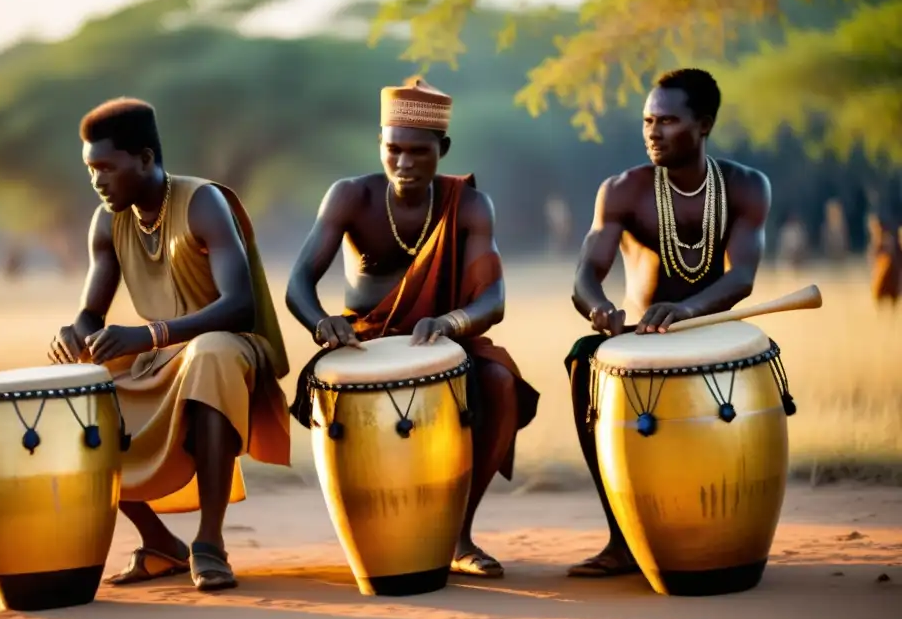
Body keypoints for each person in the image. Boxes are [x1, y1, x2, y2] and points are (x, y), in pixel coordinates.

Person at [285, 76, 540, 579]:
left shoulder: (468, 204)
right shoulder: (350, 196)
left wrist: (450, 322)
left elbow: (494, 299)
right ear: (379, 145)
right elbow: (297, 284)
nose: (403, 163)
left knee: (500, 382)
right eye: (392, 149)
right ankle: (373, 537)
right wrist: (323, 324)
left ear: (442, 149)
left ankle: (459, 534)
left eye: (418, 152)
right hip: (363, 343)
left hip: (443, 340)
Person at [47, 98, 292, 592]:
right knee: (77, 393)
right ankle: (159, 542)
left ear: (143, 158)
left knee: (211, 354)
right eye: (90, 169)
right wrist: (73, 333)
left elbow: (238, 305)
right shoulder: (107, 222)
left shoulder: (203, 202)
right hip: (164, 355)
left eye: (106, 168)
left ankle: (209, 543)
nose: (97, 181)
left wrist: (150, 334)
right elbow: (91, 311)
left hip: (232, 346)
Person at [566, 68, 772, 578]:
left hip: (716, 335)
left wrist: (687, 311)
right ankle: (621, 538)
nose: (653, 131)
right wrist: (599, 309)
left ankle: (735, 534)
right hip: (640, 340)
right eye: (647, 120)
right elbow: (586, 275)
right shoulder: (622, 190)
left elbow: (741, 277)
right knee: (581, 365)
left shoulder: (746, 186)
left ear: (703, 124)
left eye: (668, 120)